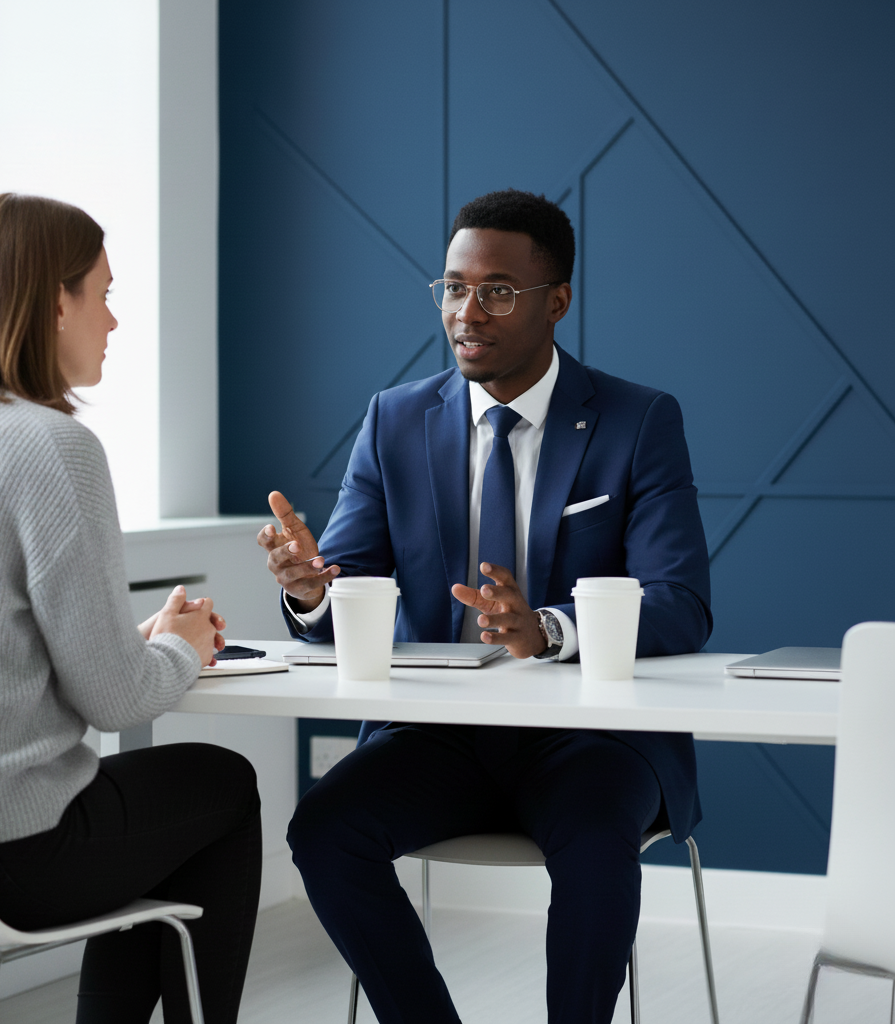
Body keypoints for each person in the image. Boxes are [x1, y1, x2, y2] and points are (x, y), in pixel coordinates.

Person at [259, 189, 712, 1023]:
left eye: (497, 290)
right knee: (324, 830)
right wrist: (312, 591)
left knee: (594, 845)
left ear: (557, 302)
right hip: (438, 737)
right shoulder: (394, 419)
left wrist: (549, 629)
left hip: (591, 739)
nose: (468, 311)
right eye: (453, 287)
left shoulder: (638, 419)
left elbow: (680, 603)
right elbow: (348, 577)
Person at [0, 194, 261, 1024]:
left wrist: (147, 640)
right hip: (14, 854)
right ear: (57, 300)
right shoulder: (55, 448)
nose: (114, 322)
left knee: (150, 810)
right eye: (106, 295)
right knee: (223, 787)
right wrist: (186, 649)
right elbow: (115, 702)